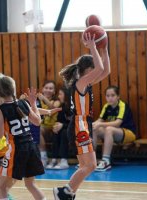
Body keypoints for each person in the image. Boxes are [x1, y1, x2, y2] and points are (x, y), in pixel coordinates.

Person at [53, 32, 110, 200]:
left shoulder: (86, 82)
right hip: (80, 126)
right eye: (93, 69)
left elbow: (106, 70)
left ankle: (68, 193)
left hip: (82, 124)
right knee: (91, 165)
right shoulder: (81, 82)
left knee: (85, 165)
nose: (96, 72)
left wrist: (104, 49)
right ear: (86, 70)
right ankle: (64, 192)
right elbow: (100, 69)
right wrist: (93, 47)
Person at [0, 75, 46, 200]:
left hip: (16, 149)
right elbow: (38, 122)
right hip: (31, 147)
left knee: (0, 186)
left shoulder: (1, 109)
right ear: (13, 90)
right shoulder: (23, 103)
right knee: (31, 184)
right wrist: (33, 104)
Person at [92, 86, 137, 171]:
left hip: (128, 133)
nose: (110, 98)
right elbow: (99, 121)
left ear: (118, 96)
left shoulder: (122, 105)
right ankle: (91, 159)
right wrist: (91, 125)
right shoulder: (106, 107)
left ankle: (106, 161)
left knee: (109, 129)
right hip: (113, 134)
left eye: (113, 95)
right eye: (108, 96)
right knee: (94, 128)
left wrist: (100, 124)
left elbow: (117, 123)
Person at [47, 86, 71, 170]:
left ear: (66, 95)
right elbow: (59, 120)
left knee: (64, 132)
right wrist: (56, 126)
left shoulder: (72, 107)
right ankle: (54, 159)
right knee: (56, 132)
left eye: (60, 94)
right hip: (65, 128)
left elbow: (74, 123)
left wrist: (63, 125)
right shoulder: (62, 106)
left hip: (74, 130)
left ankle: (64, 160)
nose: (59, 96)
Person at [38, 80, 61, 166]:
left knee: (38, 129)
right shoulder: (38, 101)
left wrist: (44, 99)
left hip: (53, 127)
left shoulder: (56, 101)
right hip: (41, 127)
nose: (48, 90)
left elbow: (53, 110)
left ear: (54, 91)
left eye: (51, 88)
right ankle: (41, 157)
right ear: (42, 89)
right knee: (35, 129)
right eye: (46, 88)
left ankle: (43, 157)